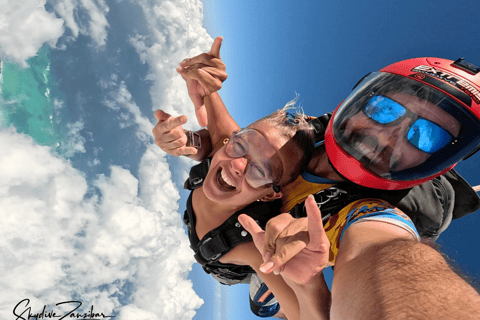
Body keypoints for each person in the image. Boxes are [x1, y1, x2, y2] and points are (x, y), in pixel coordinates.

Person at [154, 40, 480, 317]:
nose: (387, 136)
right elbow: (229, 136)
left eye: (426, 136)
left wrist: (308, 285)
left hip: (247, 254)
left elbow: (381, 250)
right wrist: (198, 129)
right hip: (231, 243)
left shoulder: (370, 212)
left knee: (272, 272)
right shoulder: (274, 149)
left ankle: (265, 283)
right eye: (383, 109)